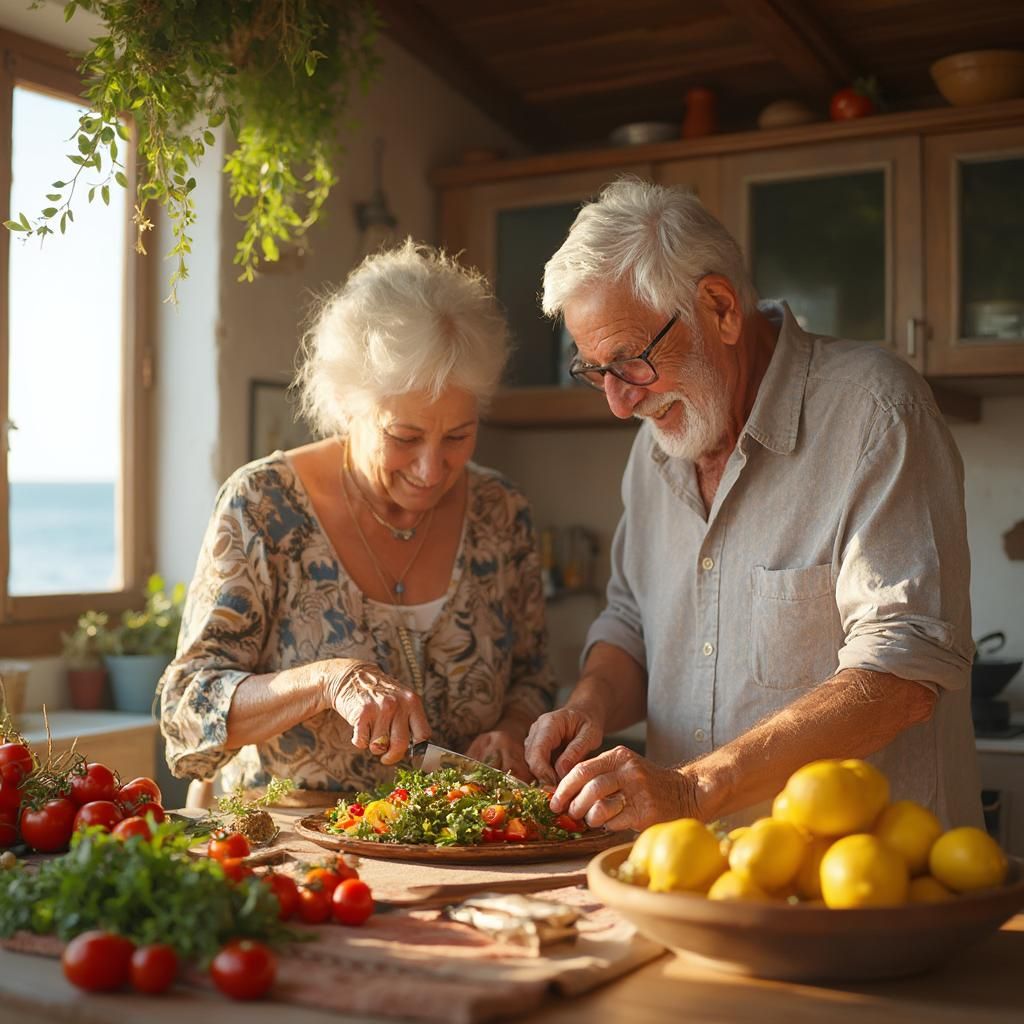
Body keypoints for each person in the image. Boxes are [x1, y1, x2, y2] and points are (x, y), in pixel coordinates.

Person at [524, 178, 981, 833]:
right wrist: (591, 703)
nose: (618, 403)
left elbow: (898, 676)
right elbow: (630, 622)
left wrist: (693, 790)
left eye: (629, 362)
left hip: (865, 900)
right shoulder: (657, 445)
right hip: (699, 879)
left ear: (720, 307)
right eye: (596, 370)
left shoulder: (877, 414)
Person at [159, 240, 555, 799]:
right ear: (347, 406)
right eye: (404, 436)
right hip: (290, 847)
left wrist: (512, 732)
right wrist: (326, 680)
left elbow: (533, 677)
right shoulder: (264, 506)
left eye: (458, 436)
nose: (431, 467)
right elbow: (187, 708)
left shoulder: (501, 512)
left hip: (460, 841)